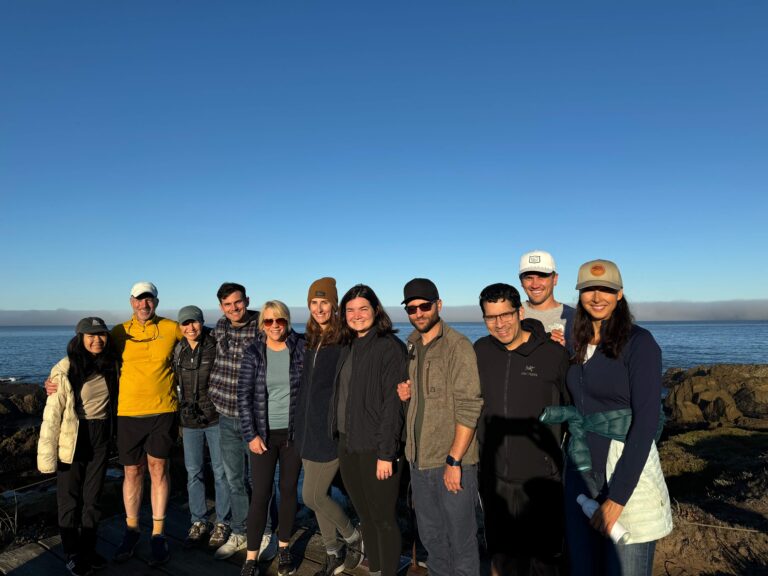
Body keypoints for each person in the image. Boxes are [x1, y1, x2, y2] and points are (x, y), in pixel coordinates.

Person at [541, 260, 672, 575]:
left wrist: (618, 498)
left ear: (620, 293)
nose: (597, 297)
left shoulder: (640, 343)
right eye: (589, 289)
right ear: (580, 294)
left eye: (607, 289)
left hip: (624, 476)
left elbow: (645, 424)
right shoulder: (577, 343)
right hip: (580, 473)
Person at [474, 283, 570, 575]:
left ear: (519, 311)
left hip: (541, 479)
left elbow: (574, 407)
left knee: (545, 563)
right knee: (503, 559)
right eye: (491, 317)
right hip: (494, 477)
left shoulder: (552, 354)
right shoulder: (480, 350)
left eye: (506, 315)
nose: (499, 324)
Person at [397, 278, 484, 576]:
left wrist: (454, 460)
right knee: (433, 540)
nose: (419, 313)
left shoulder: (458, 346)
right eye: (412, 308)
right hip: (418, 462)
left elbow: (470, 405)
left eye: (425, 306)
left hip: (450, 462)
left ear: (438, 305)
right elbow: (426, 403)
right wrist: (406, 395)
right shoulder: (412, 346)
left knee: (461, 542)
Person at [331, 284, 407, 576]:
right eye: (350, 310)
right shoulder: (349, 345)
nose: (357, 315)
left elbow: (393, 406)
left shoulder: (389, 348)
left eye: (363, 308)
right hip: (349, 443)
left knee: (384, 518)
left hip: (377, 447)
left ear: (376, 310)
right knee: (365, 516)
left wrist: (387, 453)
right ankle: (375, 569)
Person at [38, 317, 118, 576]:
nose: (97, 339)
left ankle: (88, 548)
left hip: (101, 433)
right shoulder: (65, 368)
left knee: (93, 498)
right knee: (69, 498)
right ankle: (72, 552)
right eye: (90, 335)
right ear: (80, 338)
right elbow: (51, 417)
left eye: (101, 334)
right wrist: (47, 458)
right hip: (73, 435)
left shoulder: (112, 363)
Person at [294, 278, 363, 576]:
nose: (319, 308)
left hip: (330, 430)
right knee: (317, 497)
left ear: (334, 306)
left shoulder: (345, 340)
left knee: (312, 496)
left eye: (325, 302)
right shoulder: (309, 338)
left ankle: (353, 537)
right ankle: (333, 551)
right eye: (314, 303)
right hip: (307, 430)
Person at [111, 281, 182, 566]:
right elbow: (86, 351)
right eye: (139, 300)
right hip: (128, 413)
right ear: (131, 302)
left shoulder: (170, 327)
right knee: (131, 472)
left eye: (148, 299)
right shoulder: (118, 333)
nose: (144, 305)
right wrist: (56, 378)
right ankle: (131, 530)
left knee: (158, 469)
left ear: (156, 301)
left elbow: (200, 335)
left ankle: (158, 533)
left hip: (163, 411)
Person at [207, 282, 277, 561]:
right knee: (234, 480)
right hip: (225, 415)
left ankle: (266, 533)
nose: (234, 308)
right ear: (221, 307)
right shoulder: (220, 327)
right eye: (227, 304)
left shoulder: (262, 324)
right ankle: (239, 531)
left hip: (257, 418)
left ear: (247, 300)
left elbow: (289, 344)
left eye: (238, 302)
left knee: (260, 481)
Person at [237, 301, 306, 576]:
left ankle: (285, 547)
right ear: (262, 324)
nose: (275, 326)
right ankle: (251, 558)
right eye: (268, 321)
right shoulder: (254, 351)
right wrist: (251, 434)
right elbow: (243, 397)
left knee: (288, 491)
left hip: (292, 435)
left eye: (279, 321)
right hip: (262, 436)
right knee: (261, 494)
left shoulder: (301, 346)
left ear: (287, 321)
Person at [173, 305, 229, 548]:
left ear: (202, 321)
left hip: (216, 418)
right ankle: (199, 520)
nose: (190, 327)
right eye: (185, 323)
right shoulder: (178, 349)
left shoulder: (216, 343)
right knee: (193, 472)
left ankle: (223, 522)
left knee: (221, 472)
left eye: (194, 322)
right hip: (189, 420)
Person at [518, 250, 575, 351]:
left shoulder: (575, 317)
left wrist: (566, 350)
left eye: (542, 276)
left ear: (555, 279)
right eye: (528, 278)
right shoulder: (511, 314)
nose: (535, 285)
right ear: (521, 282)